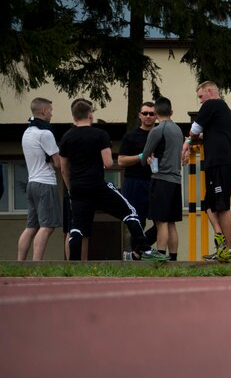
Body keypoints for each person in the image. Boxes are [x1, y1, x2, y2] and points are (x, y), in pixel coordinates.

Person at [59, 99, 162, 261]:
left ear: (74, 116)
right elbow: (108, 163)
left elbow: (63, 168)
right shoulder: (100, 135)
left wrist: (71, 188)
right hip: (97, 185)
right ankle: (146, 250)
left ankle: (73, 264)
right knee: (130, 213)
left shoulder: (66, 137)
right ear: (90, 115)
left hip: (78, 188)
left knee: (77, 228)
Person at [181, 81, 231, 263]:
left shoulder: (213, 104)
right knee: (208, 204)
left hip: (221, 162)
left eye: (200, 96)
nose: (200, 101)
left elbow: (195, 131)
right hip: (219, 163)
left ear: (211, 92)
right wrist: (191, 141)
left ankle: (227, 249)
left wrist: (189, 141)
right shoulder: (222, 111)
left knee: (222, 206)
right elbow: (206, 134)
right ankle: (221, 243)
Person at [17, 97, 62, 261]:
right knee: (47, 226)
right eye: (50, 110)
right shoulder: (45, 133)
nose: (51, 113)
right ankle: (37, 264)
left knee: (31, 226)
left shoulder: (27, 132)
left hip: (32, 182)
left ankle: (20, 263)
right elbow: (57, 162)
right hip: (45, 183)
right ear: (43, 111)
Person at [138, 97, 182, 262]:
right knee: (171, 222)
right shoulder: (178, 130)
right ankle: (173, 257)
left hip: (161, 178)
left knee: (160, 221)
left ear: (155, 113)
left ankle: (160, 254)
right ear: (171, 112)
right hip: (176, 180)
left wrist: (149, 158)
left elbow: (144, 157)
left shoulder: (157, 130)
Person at [117, 101, 159, 259]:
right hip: (134, 182)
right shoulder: (131, 136)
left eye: (152, 113)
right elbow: (121, 161)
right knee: (137, 222)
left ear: (156, 116)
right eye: (145, 113)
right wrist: (142, 156)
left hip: (156, 182)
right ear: (140, 116)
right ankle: (137, 256)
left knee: (161, 222)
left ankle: (137, 252)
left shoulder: (160, 134)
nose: (148, 116)